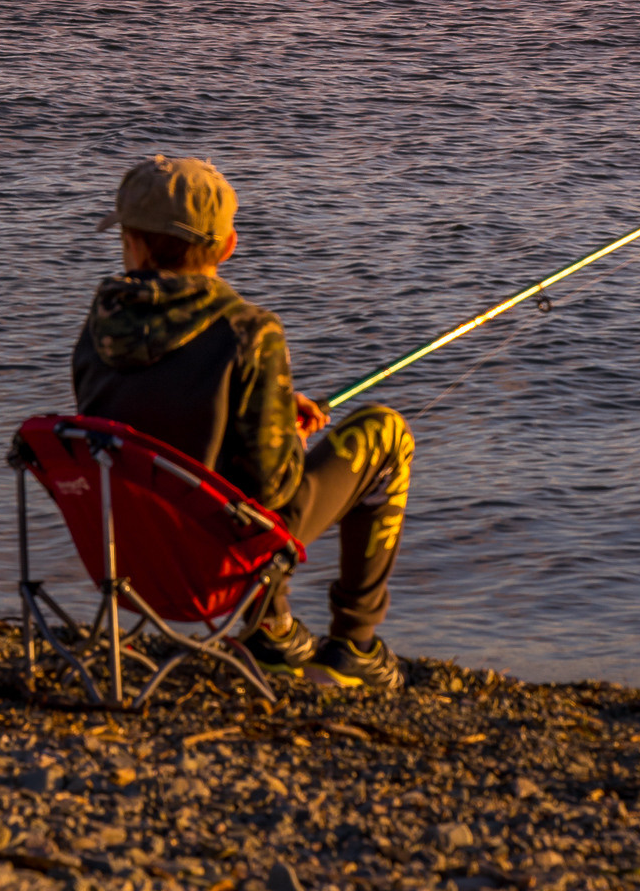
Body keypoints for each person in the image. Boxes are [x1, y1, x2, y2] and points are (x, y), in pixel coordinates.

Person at [71, 155, 414, 693]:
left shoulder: (98, 327)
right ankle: (354, 645)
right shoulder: (250, 331)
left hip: (129, 562)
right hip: (218, 566)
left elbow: (148, 417)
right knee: (385, 433)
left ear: (130, 243)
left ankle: (273, 629)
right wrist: (286, 433)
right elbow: (272, 489)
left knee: (215, 471)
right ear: (229, 246)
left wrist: (270, 406)